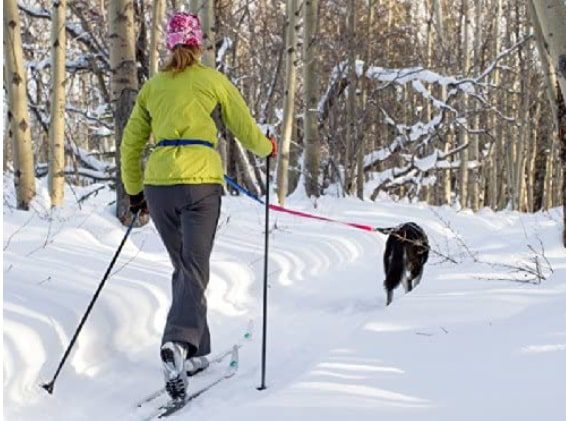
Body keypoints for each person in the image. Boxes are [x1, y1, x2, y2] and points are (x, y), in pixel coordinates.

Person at [120, 12, 277, 401]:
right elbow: (244, 128)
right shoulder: (212, 80)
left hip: (159, 187)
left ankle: (194, 353)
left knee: (185, 268)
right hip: (200, 186)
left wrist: (134, 191)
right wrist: (268, 147)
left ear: (171, 46)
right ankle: (176, 343)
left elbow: (130, 144)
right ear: (198, 45)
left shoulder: (153, 87)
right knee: (193, 267)